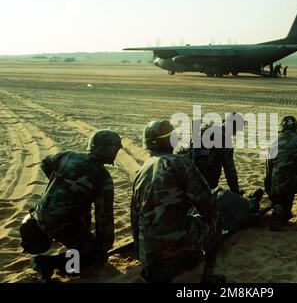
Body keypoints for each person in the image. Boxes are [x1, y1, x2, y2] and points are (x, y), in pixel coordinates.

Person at [130, 119, 225, 283]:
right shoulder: (182, 164)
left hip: (149, 251)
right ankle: (207, 274)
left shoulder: (142, 170)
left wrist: (141, 248)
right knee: (216, 215)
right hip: (176, 240)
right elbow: (207, 205)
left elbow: (134, 215)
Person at [22, 130, 123, 282]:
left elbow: (46, 163)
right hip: (61, 222)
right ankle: (47, 263)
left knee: (81, 224)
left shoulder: (68, 155)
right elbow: (104, 219)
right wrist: (102, 249)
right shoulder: (103, 178)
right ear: (109, 150)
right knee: (94, 257)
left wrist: (61, 186)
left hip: (39, 213)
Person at [182, 113, 244, 194]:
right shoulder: (225, 140)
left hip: (187, 175)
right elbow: (230, 171)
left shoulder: (206, 129)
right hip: (205, 181)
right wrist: (235, 191)